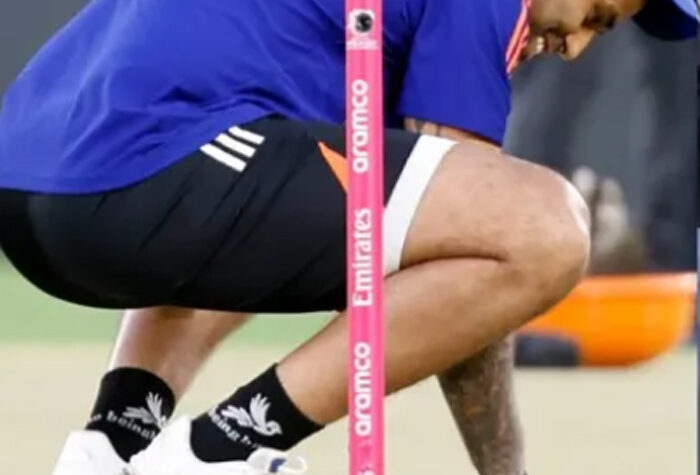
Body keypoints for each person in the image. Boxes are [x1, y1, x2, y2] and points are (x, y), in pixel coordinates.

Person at [0, 1, 693, 475]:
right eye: (597, 16)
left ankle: (112, 446)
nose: (576, 47)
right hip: (138, 175)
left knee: (289, 180)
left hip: (35, 181)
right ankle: (219, 451)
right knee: (544, 225)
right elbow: (484, 247)